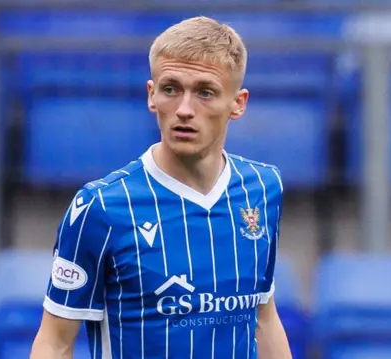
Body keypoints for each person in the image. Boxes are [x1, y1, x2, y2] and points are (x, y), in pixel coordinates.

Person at [30, 15, 292, 359]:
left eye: (205, 92)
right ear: (152, 96)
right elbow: (55, 342)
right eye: (171, 89)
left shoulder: (262, 188)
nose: (184, 110)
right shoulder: (102, 207)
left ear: (238, 103)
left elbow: (263, 316)